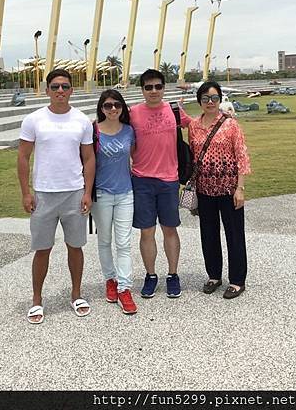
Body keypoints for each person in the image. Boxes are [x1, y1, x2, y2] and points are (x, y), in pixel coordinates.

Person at [17, 69, 95, 323]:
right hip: (44, 194)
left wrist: (87, 192)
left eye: (65, 86)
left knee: (76, 246)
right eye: (55, 86)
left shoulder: (81, 120)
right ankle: (37, 300)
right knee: (42, 248)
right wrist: (26, 192)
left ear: (72, 90)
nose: (60, 91)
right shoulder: (34, 120)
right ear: (47, 89)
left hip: (73, 192)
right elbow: (23, 157)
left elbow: (89, 157)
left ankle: (76, 294)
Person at [130, 69, 192, 299]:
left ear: (164, 88)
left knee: (170, 229)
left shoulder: (174, 110)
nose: (153, 91)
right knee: (146, 231)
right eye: (148, 87)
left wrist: (224, 118)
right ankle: (151, 275)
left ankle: (173, 275)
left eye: (158, 86)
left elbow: (196, 126)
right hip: (142, 180)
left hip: (169, 180)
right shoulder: (133, 113)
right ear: (142, 90)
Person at [188, 81, 251, 299]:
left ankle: (237, 280)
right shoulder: (194, 126)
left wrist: (240, 188)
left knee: (234, 234)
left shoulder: (231, 124)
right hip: (205, 188)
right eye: (205, 98)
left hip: (228, 188)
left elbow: (242, 156)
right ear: (200, 101)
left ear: (220, 99)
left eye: (214, 98)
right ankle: (213, 275)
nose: (210, 102)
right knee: (209, 233)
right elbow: (194, 156)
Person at [91, 89, 137, 314]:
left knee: (124, 242)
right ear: (101, 108)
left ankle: (124, 287)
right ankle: (110, 279)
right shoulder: (94, 131)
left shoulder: (129, 130)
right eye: (107, 105)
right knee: (105, 240)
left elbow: (135, 157)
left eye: (116, 105)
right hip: (101, 194)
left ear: (122, 108)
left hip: (125, 193)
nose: (112, 109)